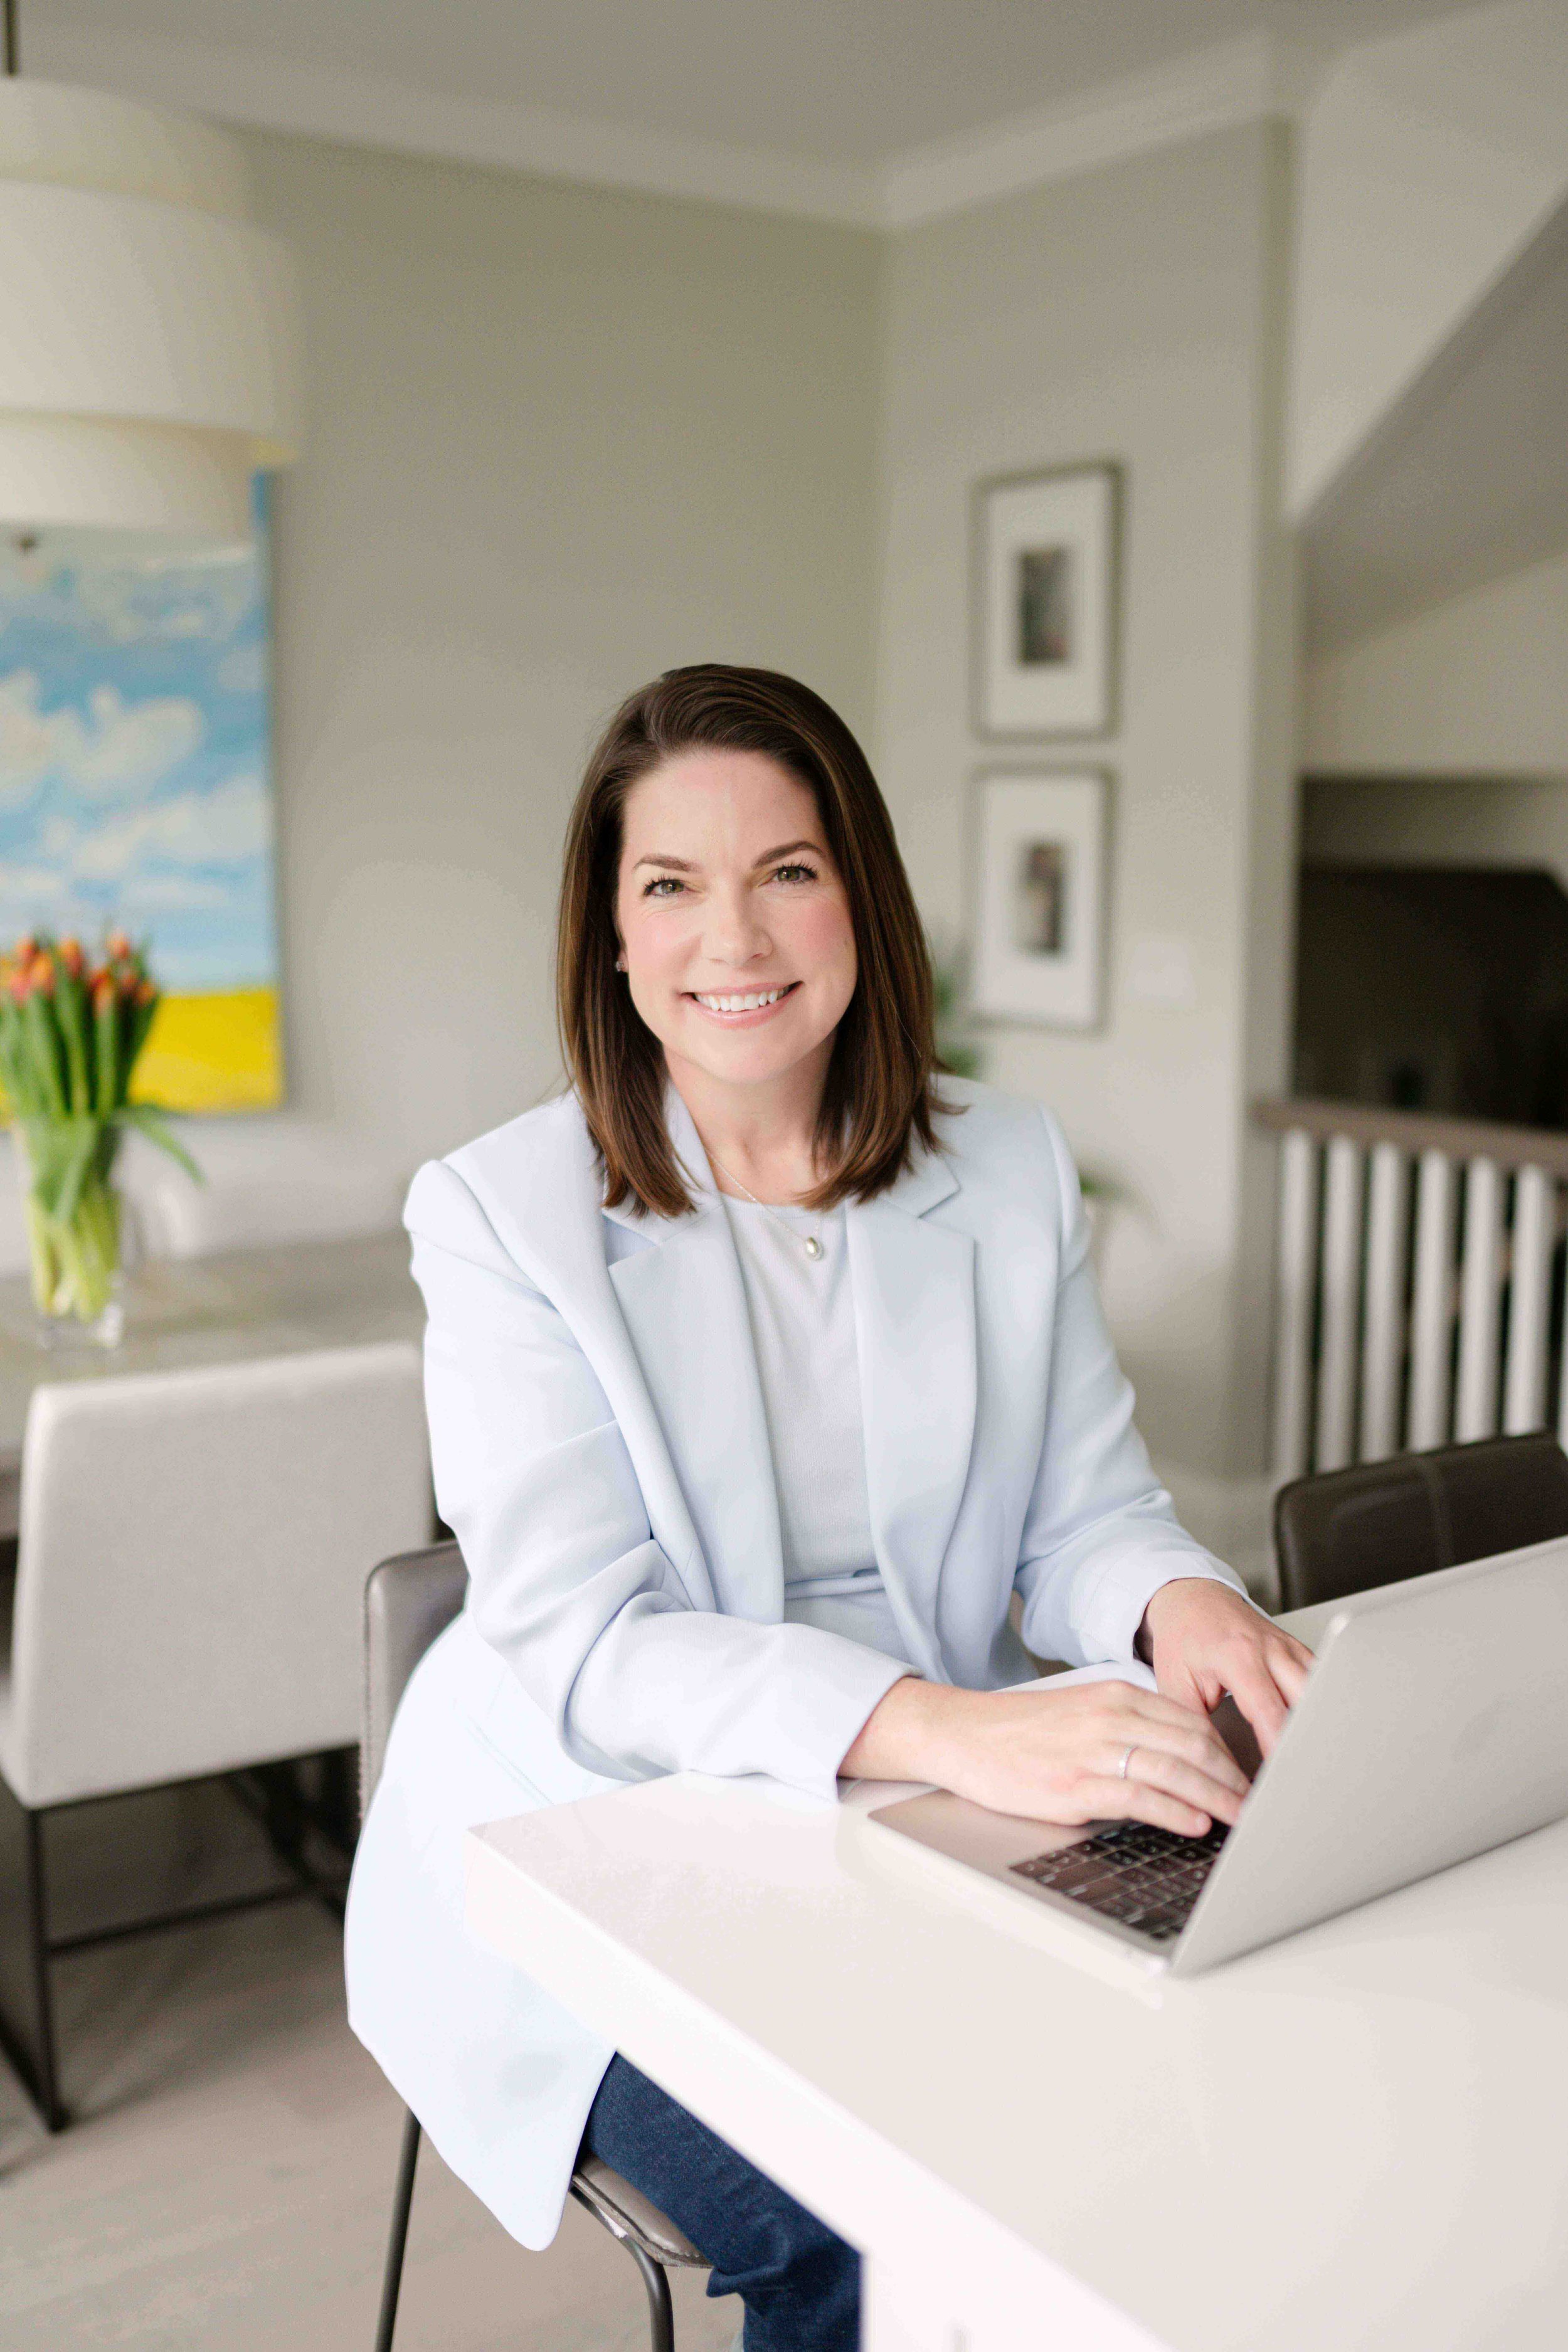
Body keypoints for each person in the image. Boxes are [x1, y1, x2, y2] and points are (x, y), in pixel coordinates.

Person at [345, 664, 1311, 2352]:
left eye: (786, 870)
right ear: (614, 939)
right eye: (671, 888)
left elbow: (1079, 1515)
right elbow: (591, 1642)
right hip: (584, 1824)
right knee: (860, 2222)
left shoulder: (1002, 1167)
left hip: (916, 1815)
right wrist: (946, 1728)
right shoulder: (502, 1214)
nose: (736, 939)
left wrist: (1177, 1603)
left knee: (1173, 2100)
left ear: (858, 893)